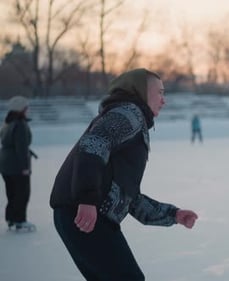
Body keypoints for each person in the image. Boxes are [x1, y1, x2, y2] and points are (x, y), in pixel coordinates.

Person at [50, 68, 198, 281]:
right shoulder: (129, 114)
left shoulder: (131, 119)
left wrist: (172, 215)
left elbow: (127, 197)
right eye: (160, 92)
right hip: (86, 214)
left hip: (83, 213)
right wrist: (86, 199)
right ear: (140, 91)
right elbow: (92, 145)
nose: (164, 100)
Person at [0, 96, 36, 232]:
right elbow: (21, 148)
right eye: (26, 107)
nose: (28, 110)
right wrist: (25, 167)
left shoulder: (8, 122)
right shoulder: (20, 124)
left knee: (12, 193)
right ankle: (20, 220)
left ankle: (11, 218)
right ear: (20, 109)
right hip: (16, 165)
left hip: (5, 164)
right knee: (22, 193)